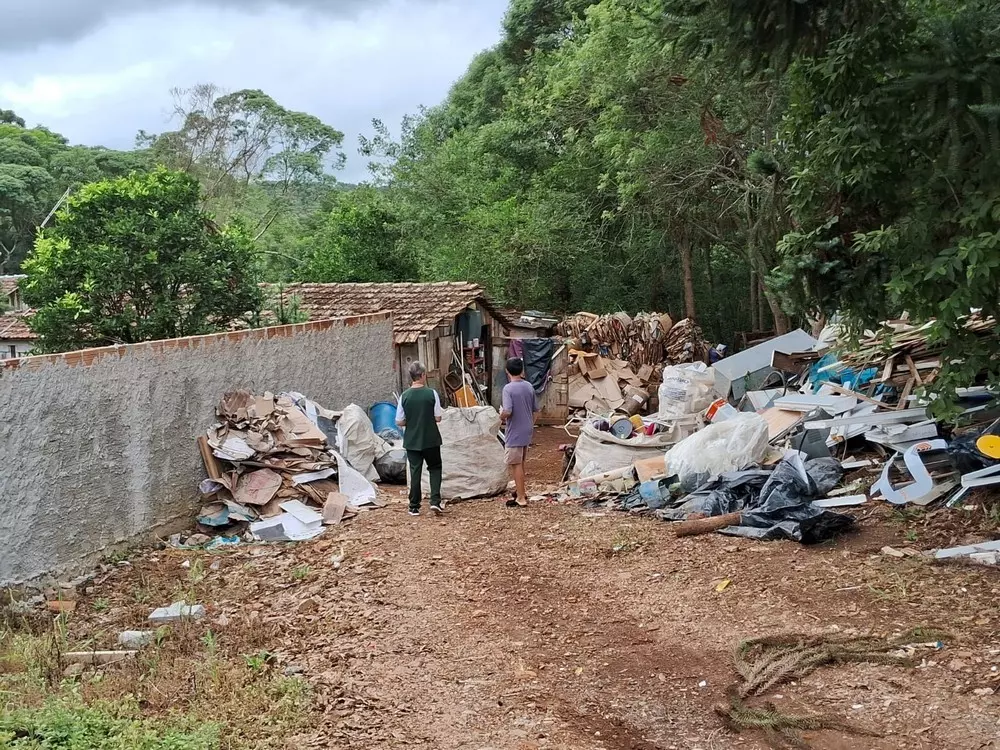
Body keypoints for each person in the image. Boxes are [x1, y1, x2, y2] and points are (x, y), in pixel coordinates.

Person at [395, 361, 444, 516]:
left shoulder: (404, 396)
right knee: (435, 468)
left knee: (415, 471)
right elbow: (438, 418)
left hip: (412, 440)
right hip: (431, 438)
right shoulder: (432, 393)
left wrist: (411, 420)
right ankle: (435, 501)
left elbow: (399, 421)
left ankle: (414, 506)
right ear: (423, 375)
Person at [500, 356, 539, 508]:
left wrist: (501, 416)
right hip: (526, 429)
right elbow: (536, 410)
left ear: (507, 371)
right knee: (521, 462)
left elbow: (508, 410)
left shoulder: (508, 388)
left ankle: (521, 497)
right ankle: (520, 490)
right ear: (522, 370)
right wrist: (530, 423)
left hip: (514, 430)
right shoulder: (529, 386)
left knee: (516, 464)